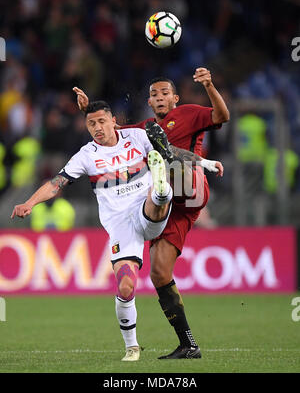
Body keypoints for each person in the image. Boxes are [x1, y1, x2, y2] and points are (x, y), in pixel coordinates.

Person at [73, 67, 229, 359]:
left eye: (164, 93)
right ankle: (188, 344)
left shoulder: (190, 113)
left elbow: (222, 116)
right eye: (154, 94)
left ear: (175, 98)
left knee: (166, 165)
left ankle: (161, 182)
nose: (159, 97)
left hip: (190, 189)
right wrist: (87, 109)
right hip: (168, 209)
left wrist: (209, 85)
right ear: (148, 102)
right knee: (159, 274)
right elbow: (108, 130)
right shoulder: (145, 128)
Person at [11, 100, 174, 362]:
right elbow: (57, 183)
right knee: (125, 286)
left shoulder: (138, 136)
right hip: (121, 225)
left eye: (101, 121)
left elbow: (174, 151)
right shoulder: (87, 155)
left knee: (156, 199)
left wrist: (206, 163)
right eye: (91, 123)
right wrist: (29, 202)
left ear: (113, 120)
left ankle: (162, 190)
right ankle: (132, 348)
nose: (96, 127)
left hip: (147, 207)